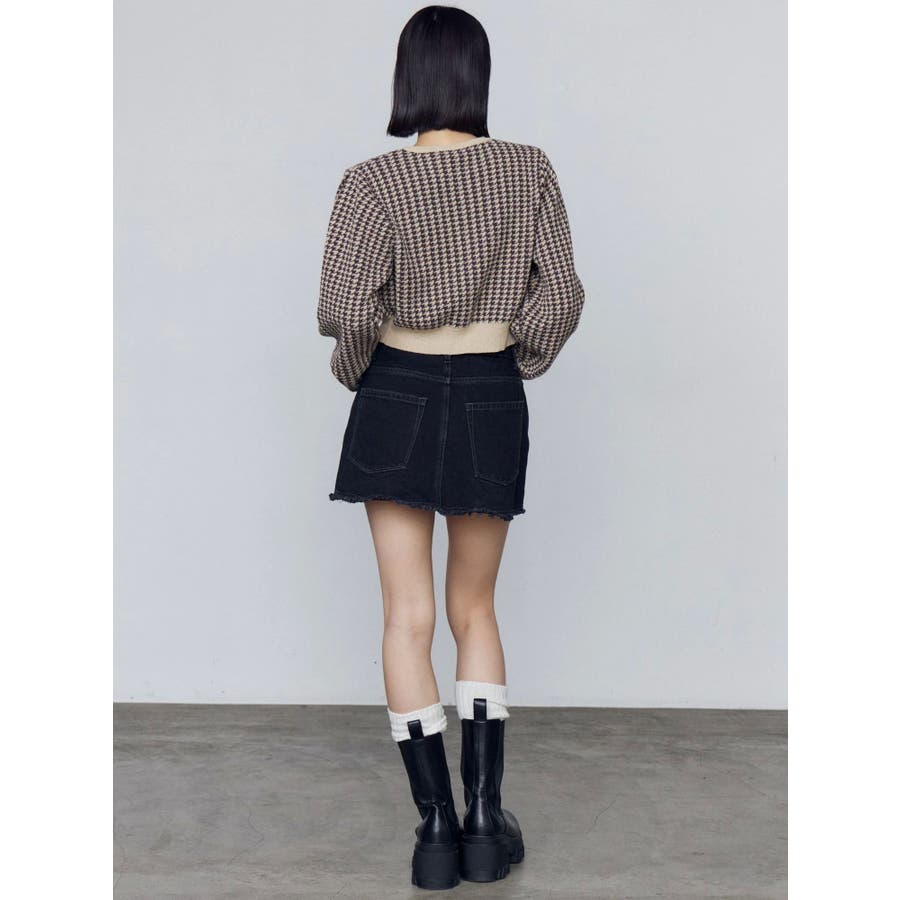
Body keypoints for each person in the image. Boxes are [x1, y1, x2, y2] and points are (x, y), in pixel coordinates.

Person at [317, 5, 584, 890]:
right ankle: (481, 821)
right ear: (477, 75)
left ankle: (433, 830)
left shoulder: (370, 181)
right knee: (476, 611)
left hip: (395, 387)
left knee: (407, 616)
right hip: (486, 391)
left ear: (408, 78)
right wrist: (515, 360)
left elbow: (344, 309)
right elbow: (561, 295)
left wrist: (367, 374)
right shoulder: (527, 169)